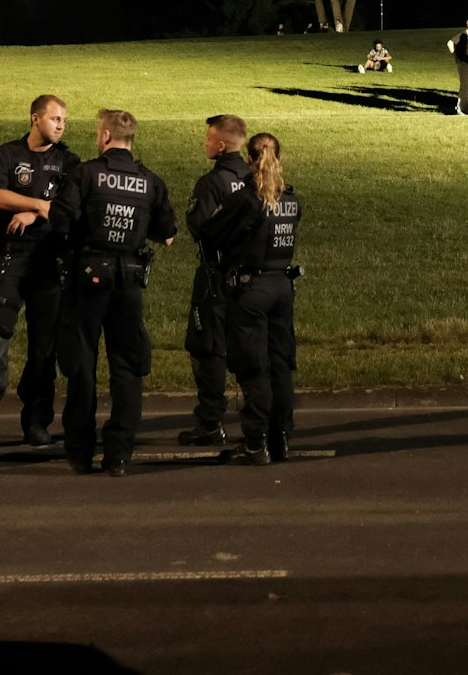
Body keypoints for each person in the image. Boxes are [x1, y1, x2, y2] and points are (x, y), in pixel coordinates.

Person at [54, 108, 176, 476]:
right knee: (127, 368)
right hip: (129, 280)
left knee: (82, 364)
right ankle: (119, 453)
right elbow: (167, 232)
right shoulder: (149, 180)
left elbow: (62, 219)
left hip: (88, 277)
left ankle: (79, 451)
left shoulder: (86, 172)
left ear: (105, 137)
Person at [0, 94, 78, 453]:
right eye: (55, 118)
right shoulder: (5, 155)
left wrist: (32, 213)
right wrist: (40, 205)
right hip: (7, 259)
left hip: (48, 262)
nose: (61, 125)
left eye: (64, 120)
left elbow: (72, 205)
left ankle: (36, 422)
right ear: (35, 118)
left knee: (44, 349)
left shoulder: (69, 161)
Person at [196, 130, 303, 465]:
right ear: (279, 158)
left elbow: (208, 232)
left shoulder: (246, 199)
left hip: (251, 290)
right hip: (283, 289)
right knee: (281, 366)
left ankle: (255, 444)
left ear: (248, 160)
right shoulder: (292, 201)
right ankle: (281, 437)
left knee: (254, 367)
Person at [178, 113, 251, 447]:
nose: (205, 143)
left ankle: (210, 421)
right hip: (252, 279)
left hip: (215, 278)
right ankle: (258, 423)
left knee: (206, 347)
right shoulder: (256, 179)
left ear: (221, 145)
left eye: (208, 138)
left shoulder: (211, 184)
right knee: (250, 348)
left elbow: (199, 228)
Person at [446, 18, 468, 114]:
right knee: (465, 85)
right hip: (464, 63)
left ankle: (467, 106)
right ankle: (460, 107)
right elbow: (450, 43)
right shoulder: (462, 35)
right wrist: (455, 57)